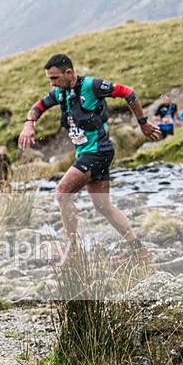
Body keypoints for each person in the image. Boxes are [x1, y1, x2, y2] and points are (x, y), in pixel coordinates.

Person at [18, 54, 161, 260]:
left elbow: (127, 92)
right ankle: (137, 249)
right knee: (103, 206)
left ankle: (72, 249)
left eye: (55, 78)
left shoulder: (92, 86)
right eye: (50, 79)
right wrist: (29, 124)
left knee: (62, 192)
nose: (52, 83)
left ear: (69, 73)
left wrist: (143, 123)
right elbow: (38, 107)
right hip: (87, 152)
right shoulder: (60, 93)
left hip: (98, 151)